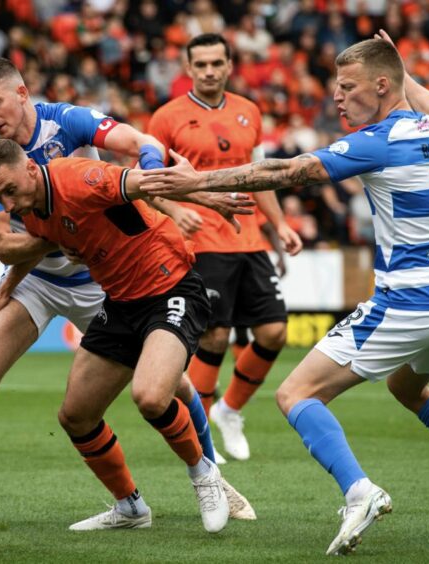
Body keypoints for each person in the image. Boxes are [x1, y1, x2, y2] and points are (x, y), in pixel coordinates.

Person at [141, 31, 429, 555]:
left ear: (382, 86)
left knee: (295, 394)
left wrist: (190, 184)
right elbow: (427, 95)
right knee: (408, 390)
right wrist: (399, 65)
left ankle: (360, 492)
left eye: (348, 87)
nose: (337, 97)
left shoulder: (378, 141)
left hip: (409, 302)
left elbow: (282, 170)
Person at [0, 57, 255, 535]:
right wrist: (57, 242)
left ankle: (211, 475)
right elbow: (5, 243)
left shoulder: (67, 122)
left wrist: (181, 189)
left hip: (107, 277)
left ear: (21, 93)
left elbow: (139, 148)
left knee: (170, 387)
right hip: (38, 275)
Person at [0, 139, 229, 532]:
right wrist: (8, 287)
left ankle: (203, 473)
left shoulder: (80, 178)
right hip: (120, 302)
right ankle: (130, 509)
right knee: (76, 415)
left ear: (30, 168)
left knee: (150, 396)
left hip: (171, 288)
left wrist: (206, 194)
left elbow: (141, 182)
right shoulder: (30, 211)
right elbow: (43, 247)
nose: (7, 204)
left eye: (10, 190)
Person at [148, 33, 302, 462]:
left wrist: (280, 225)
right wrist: (175, 213)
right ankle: (204, 439)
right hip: (200, 242)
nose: (210, 71)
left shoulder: (249, 112)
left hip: (249, 240)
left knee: (274, 332)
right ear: (188, 68)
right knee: (214, 336)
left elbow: (261, 178)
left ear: (230, 65)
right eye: (202, 64)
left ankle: (230, 410)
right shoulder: (166, 118)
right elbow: (143, 181)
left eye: (217, 63)